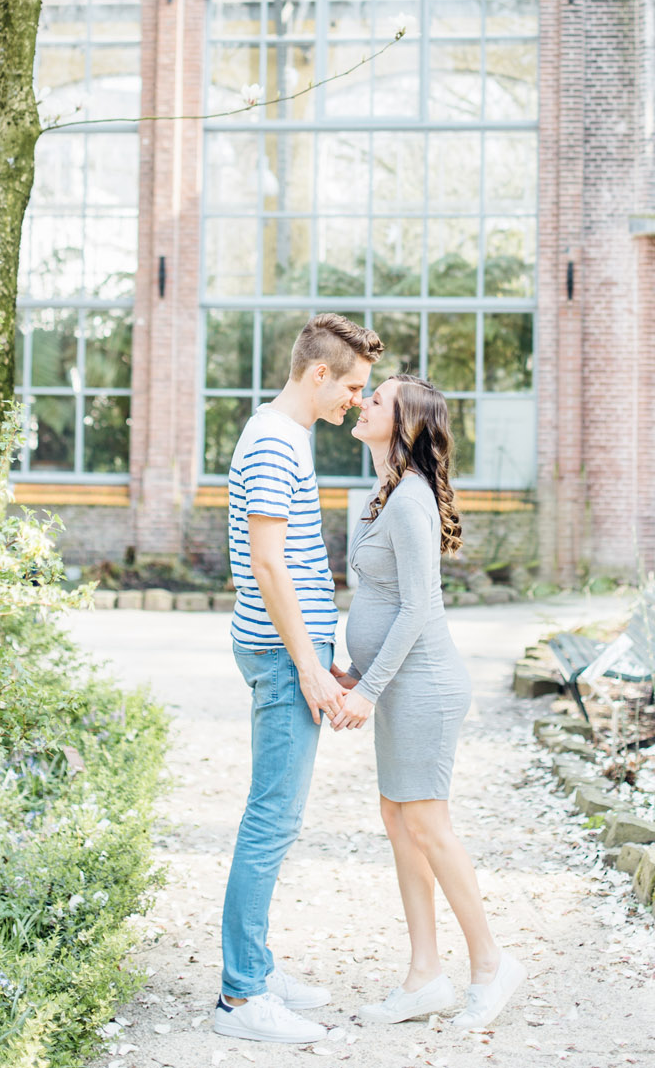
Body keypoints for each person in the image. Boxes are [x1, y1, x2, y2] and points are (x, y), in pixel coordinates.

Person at [332, 374, 525, 1031]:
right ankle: (424, 977)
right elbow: (379, 602)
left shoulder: (411, 499)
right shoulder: (381, 494)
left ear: (407, 425)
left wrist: (372, 689)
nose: (362, 402)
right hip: (395, 683)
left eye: (377, 399)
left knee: (428, 824)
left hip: (427, 686)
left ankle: (493, 965)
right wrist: (356, 672)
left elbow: (418, 609)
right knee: (398, 819)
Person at [213, 313, 384, 1045]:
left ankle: (256, 966)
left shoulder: (282, 435)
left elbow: (297, 566)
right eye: (351, 387)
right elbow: (269, 564)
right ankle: (242, 998)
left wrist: (324, 652)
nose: (354, 400)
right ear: (318, 374)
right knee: (270, 821)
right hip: (285, 662)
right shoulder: (275, 442)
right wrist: (310, 667)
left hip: (295, 654)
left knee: (274, 819)